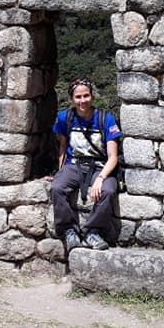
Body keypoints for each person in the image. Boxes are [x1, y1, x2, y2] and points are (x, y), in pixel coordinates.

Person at [50, 78, 122, 252]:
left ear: (92, 96)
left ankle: (92, 231)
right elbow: (63, 147)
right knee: (57, 188)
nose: (83, 101)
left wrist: (101, 178)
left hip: (100, 166)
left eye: (86, 96)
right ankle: (68, 230)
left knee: (108, 190)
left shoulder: (106, 119)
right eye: (78, 97)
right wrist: (59, 172)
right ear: (72, 99)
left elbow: (113, 157)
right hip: (74, 165)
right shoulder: (64, 118)